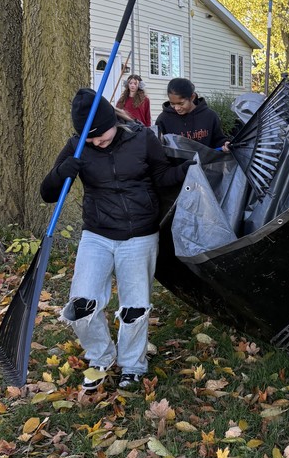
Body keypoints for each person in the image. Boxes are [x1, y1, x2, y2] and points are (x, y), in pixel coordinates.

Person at [40, 89, 190, 391]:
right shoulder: (78, 146)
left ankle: (132, 365)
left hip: (139, 235)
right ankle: (101, 356)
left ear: (113, 121)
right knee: (81, 304)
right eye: (89, 138)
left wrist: (188, 170)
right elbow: (48, 194)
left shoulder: (142, 138)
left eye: (100, 135)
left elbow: (161, 178)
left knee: (135, 309)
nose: (96, 142)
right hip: (97, 234)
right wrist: (60, 173)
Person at [155, 77, 229, 151]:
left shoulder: (210, 116)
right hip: (177, 163)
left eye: (181, 103)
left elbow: (219, 140)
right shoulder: (163, 119)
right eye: (172, 104)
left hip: (208, 162)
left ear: (192, 97)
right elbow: (158, 149)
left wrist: (225, 145)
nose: (176, 108)